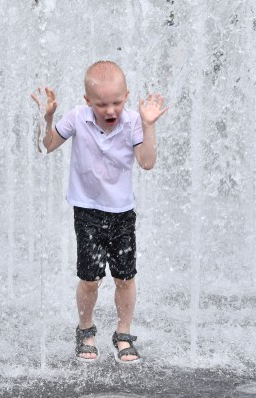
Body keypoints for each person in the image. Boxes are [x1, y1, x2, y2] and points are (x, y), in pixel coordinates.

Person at [31, 60, 168, 364]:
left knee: (125, 276)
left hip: (122, 213)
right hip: (89, 212)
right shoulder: (78, 118)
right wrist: (48, 116)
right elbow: (48, 145)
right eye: (102, 104)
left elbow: (147, 162)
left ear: (127, 97)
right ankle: (85, 330)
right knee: (90, 278)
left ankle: (123, 333)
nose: (110, 111)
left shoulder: (133, 122)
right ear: (87, 101)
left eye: (117, 103)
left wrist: (148, 125)